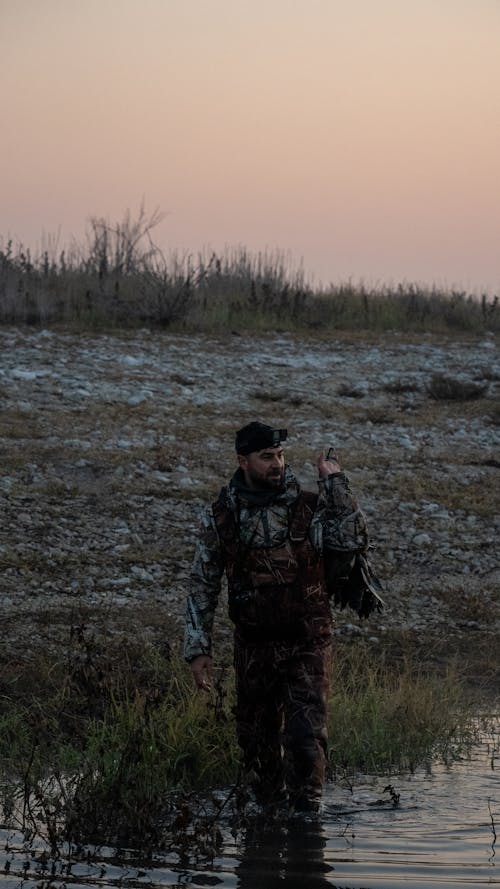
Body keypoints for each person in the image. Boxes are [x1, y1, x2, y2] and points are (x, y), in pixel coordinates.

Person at [184, 421, 379, 814]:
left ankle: (307, 835)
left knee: (306, 742)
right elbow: (203, 582)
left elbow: (354, 538)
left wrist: (335, 482)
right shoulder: (222, 516)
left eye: (280, 455)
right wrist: (197, 647)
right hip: (253, 646)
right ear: (243, 461)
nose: (277, 464)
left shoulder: (310, 506)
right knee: (256, 748)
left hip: (307, 642)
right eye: (266, 456)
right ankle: (267, 831)